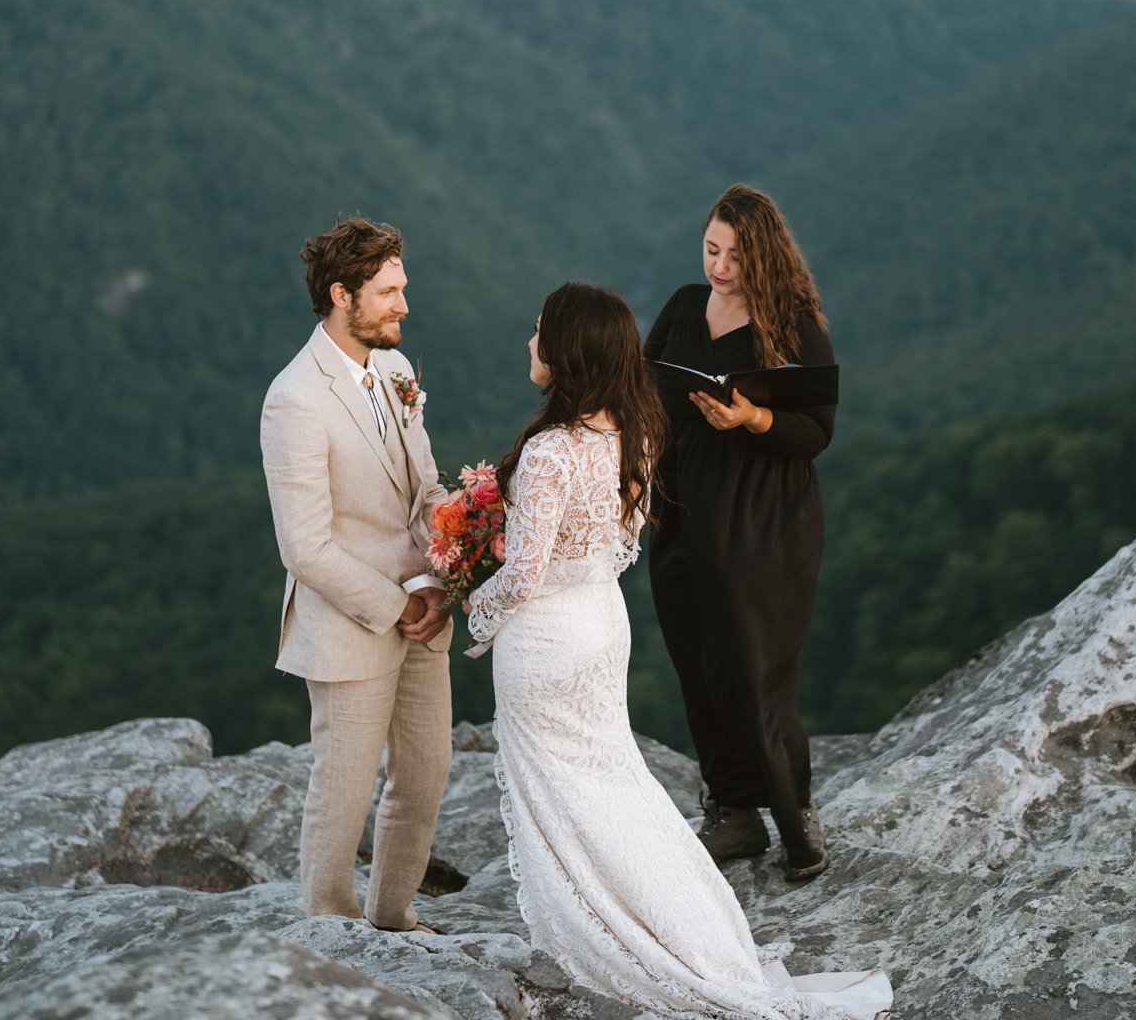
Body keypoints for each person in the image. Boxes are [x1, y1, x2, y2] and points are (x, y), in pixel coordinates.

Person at [464, 283, 889, 1019]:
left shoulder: (547, 452)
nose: (528, 341)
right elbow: (620, 545)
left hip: (550, 643)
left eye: (538, 332)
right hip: (603, 623)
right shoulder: (634, 434)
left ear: (567, 351)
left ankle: (618, 936)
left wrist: (471, 610)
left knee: (568, 797)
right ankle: (691, 930)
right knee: (617, 786)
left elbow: (525, 574)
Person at [259, 216, 454, 932]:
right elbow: (303, 548)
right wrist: (394, 605)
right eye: (389, 291)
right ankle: (330, 934)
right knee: (341, 790)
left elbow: (424, 487)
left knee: (427, 775)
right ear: (342, 295)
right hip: (352, 623)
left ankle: (395, 917)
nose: (404, 304)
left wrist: (451, 556)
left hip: (425, 608)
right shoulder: (294, 399)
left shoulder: (396, 372)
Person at [644, 184, 836, 878]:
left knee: (756, 670)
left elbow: (818, 431)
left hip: (764, 519)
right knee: (698, 664)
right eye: (711, 250)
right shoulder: (681, 308)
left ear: (765, 254)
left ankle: (796, 817)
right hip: (682, 510)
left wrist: (752, 418)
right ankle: (733, 814)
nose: (720, 268)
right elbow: (644, 391)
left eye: (735, 255)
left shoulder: (795, 323)